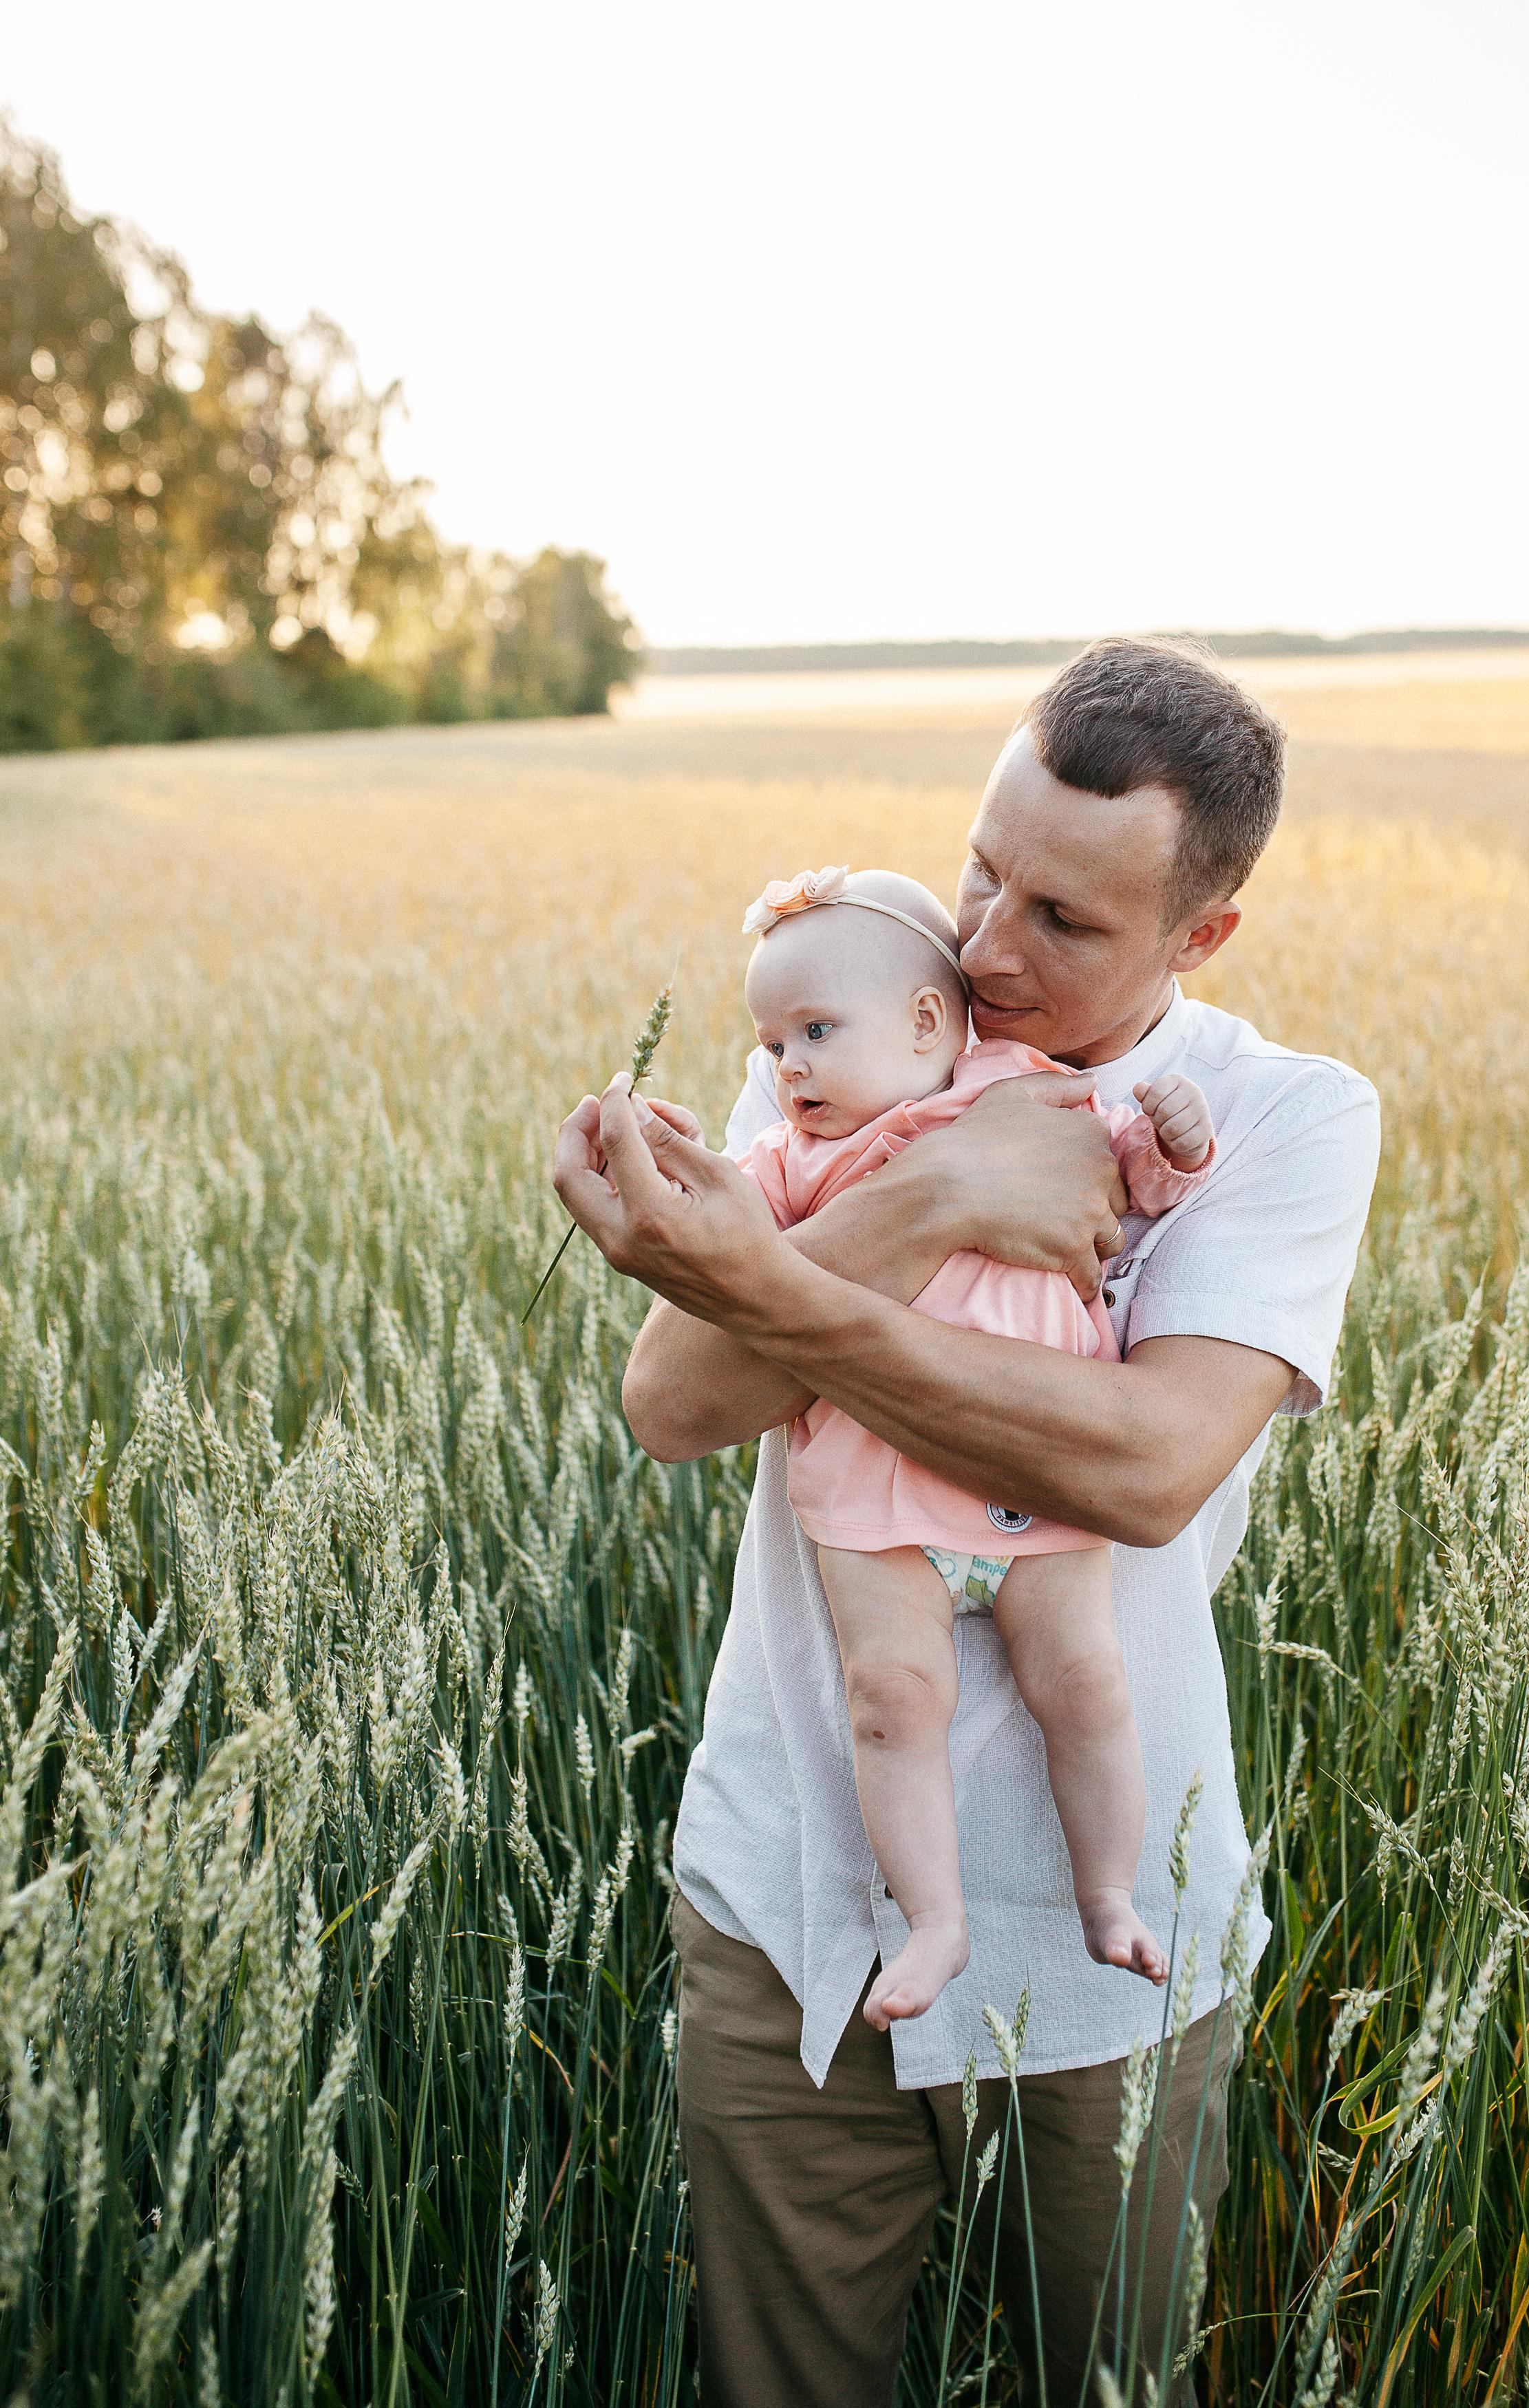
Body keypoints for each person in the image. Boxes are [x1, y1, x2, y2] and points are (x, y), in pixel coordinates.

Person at [553, 637, 1380, 2407]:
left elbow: (1146, 1467)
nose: (988, 949)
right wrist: (945, 1185)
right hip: (790, 1901)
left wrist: (802, 1285)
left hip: (1111, 1952)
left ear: (1199, 935)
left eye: (1065, 922)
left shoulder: (1289, 1116)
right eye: (981, 870)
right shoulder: (857, 1019)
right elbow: (675, 1403)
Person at [735, 861, 1217, 2024]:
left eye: (811, 1032)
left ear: (920, 1022)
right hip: (875, 1500)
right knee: (890, 1700)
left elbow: (1129, 1190)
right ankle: (935, 1921)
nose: (785, 1065)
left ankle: (1108, 1895)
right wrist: (661, 1159)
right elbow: (720, 1275)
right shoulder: (786, 1157)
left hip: (1038, 1493)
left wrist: (1173, 1146)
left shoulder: (1026, 1089)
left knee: (1087, 1684)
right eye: (768, 1043)